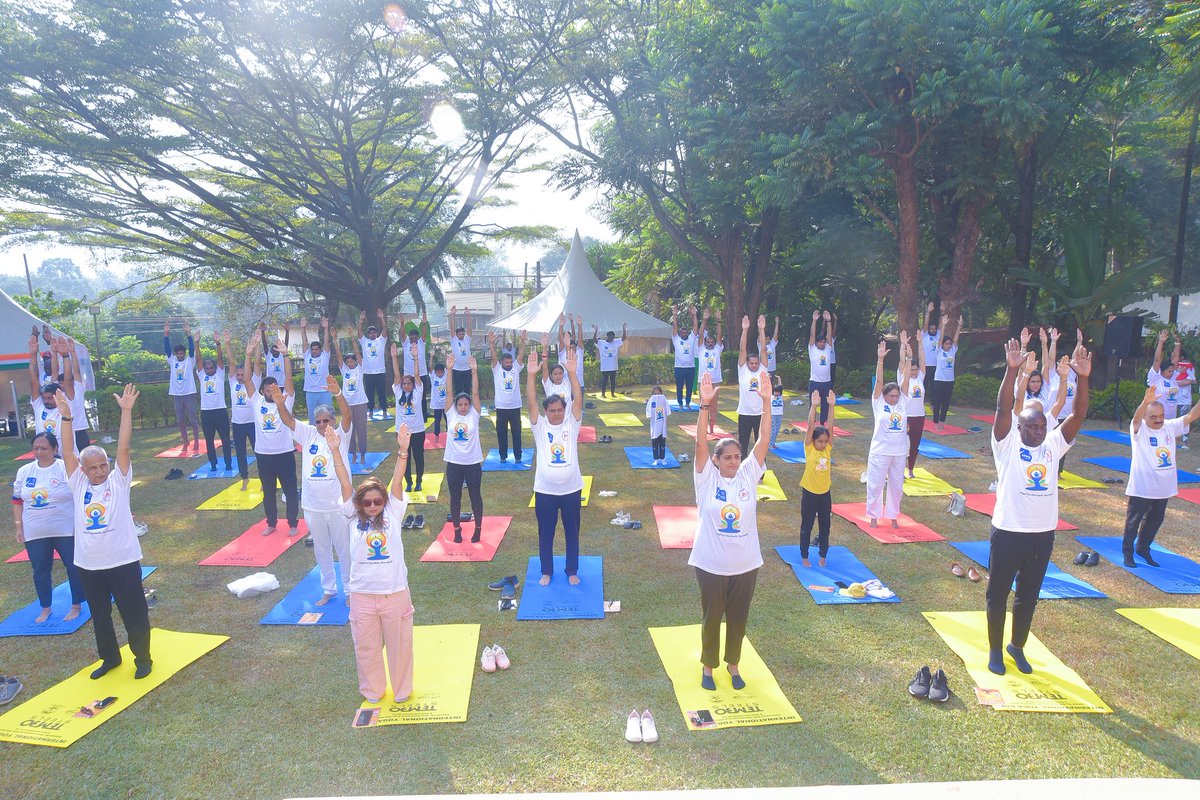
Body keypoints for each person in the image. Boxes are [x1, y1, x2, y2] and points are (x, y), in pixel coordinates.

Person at [986, 337, 1090, 676]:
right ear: (1019, 427)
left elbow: (1078, 414)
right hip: (1009, 531)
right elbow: (1003, 408)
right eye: (1031, 426)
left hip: (1042, 534)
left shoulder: (1053, 443)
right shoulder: (1007, 443)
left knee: (1028, 596)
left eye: (1042, 426)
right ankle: (995, 651)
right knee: (997, 594)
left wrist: (1082, 378)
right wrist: (1012, 369)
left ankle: (1017, 645)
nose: (1037, 431)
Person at [56, 384, 152, 679]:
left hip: (122, 561)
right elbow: (67, 450)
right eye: (93, 467)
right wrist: (67, 419)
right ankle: (110, 658)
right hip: (89, 564)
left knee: (133, 613)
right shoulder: (78, 484)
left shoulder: (117, 482)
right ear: (83, 471)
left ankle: (143, 658)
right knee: (100, 616)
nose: (98, 470)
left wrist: (126, 411)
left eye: (102, 465)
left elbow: (123, 447)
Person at [690, 369, 771, 692]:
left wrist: (766, 402)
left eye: (738, 457)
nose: (734, 462)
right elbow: (698, 442)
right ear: (716, 460)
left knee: (738, 619)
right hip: (711, 563)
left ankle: (733, 665)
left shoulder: (748, 475)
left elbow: (763, 440)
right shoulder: (706, 478)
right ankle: (708, 668)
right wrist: (704, 406)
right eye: (728, 457)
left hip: (746, 563)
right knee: (712, 617)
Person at [328, 422, 415, 704]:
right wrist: (335, 452)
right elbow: (344, 480)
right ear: (359, 505)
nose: (374, 506)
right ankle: (373, 691)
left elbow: (398, 480)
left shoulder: (393, 511)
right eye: (367, 503)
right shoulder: (352, 516)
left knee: (400, 648)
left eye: (378, 501)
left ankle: (402, 691)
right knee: (366, 649)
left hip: (394, 593)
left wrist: (403, 451)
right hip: (362, 595)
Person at [276, 374, 353, 605]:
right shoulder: (308, 434)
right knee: (322, 551)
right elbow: (289, 421)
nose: (322, 425)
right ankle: (329, 589)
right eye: (318, 421)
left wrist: (338, 393)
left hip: (339, 504)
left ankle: (350, 591)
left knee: (344, 549)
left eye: (326, 420)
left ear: (332, 420)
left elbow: (348, 415)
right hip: (313, 506)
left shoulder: (341, 435)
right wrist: (280, 403)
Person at [1123, 385, 1200, 567]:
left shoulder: (1169, 426)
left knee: (1155, 520)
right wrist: (1145, 402)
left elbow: (1192, 415)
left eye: (1161, 416)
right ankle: (1128, 553)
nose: (1158, 420)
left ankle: (1143, 548)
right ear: (1146, 417)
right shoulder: (1139, 429)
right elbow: (1136, 419)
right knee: (1133, 522)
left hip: (1163, 487)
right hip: (1142, 487)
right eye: (1153, 417)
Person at [526, 346, 585, 585]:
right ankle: (546, 571)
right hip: (545, 491)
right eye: (553, 410)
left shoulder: (572, 424)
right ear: (546, 412)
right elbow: (530, 403)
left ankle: (572, 570)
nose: (557, 414)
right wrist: (531, 376)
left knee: (572, 533)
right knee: (545, 534)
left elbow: (578, 399)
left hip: (571, 490)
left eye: (561, 410)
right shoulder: (539, 426)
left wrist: (572, 373)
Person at [12, 431, 82, 624]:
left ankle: (76, 604)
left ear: (55, 449)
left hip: (66, 529)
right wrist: (19, 526)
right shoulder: (25, 471)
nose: (40, 451)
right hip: (35, 531)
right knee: (40, 570)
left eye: (44, 448)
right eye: (36, 448)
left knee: (73, 566)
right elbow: (17, 500)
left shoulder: (64, 468)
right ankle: (45, 607)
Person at [243, 337, 300, 536]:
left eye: (274, 388)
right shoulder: (257, 401)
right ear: (262, 391)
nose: (271, 392)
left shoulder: (286, 400)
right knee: (268, 492)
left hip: (284, 453)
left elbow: (289, 379)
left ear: (278, 388)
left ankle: (293, 523)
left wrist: (285, 355)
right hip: (264, 455)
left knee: (290, 490)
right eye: (267, 390)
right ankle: (272, 523)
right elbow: (247, 379)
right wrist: (249, 354)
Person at [866, 338, 911, 528]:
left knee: (897, 487)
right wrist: (880, 360)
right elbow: (879, 381)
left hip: (899, 452)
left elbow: (906, 379)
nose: (894, 398)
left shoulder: (902, 402)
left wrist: (909, 358)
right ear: (884, 395)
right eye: (891, 395)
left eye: (896, 395)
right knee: (875, 484)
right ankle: (874, 516)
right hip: (880, 451)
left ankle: (893, 516)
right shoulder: (879, 403)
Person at [443, 349, 484, 543]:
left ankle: (477, 529)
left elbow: (475, 392)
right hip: (453, 462)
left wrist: (474, 371)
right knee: (455, 497)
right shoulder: (450, 414)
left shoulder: (474, 415)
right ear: (455, 405)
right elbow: (449, 392)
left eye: (465, 404)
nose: (463, 407)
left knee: (475, 495)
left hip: (473, 462)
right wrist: (449, 370)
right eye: (460, 404)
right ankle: (457, 530)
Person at [799, 390, 836, 567]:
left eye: (824, 441)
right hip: (810, 492)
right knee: (807, 524)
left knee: (825, 526)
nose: (822, 444)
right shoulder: (810, 448)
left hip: (824, 493)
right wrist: (814, 406)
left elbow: (831, 427)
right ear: (813, 441)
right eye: (819, 441)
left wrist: (831, 406)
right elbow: (810, 427)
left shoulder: (828, 449)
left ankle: (823, 555)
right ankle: (804, 555)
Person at [222, 333, 259, 491]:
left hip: (253, 423)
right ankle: (245, 478)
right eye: (238, 375)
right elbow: (231, 363)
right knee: (241, 453)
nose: (239, 377)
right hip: (237, 424)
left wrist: (257, 345)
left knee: (259, 452)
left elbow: (256, 363)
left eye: (243, 375)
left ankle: (264, 478)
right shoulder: (232, 382)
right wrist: (227, 344)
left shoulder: (253, 381)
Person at [390, 341, 427, 493]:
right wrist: (393, 357)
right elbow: (397, 375)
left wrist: (416, 357)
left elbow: (417, 375)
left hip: (418, 431)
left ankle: (418, 481)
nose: (406, 385)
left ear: (413, 384)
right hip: (403, 432)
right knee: (404, 457)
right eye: (404, 383)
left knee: (418, 457)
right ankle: (408, 482)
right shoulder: (398, 392)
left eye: (408, 383)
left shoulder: (418, 391)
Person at [196, 330, 234, 474]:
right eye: (207, 368)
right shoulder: (201, 375)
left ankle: (228, 463)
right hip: (206, 413)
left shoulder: (219, 374)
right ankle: (213, 464)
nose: (210, 370)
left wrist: (218, 343)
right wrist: (196, 343)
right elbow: (198, 359)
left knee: (225, 440)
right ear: (204, 369)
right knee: (209, 441)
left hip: (220, 411)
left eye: (212, 368)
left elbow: (220, 359)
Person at [331, 328, 370, 465]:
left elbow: (358, 353)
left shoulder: (360, 368)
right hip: (347, 404)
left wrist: (353, 337)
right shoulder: (344, 370)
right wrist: (335, 339)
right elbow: (338, 354)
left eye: (351, 361)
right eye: (348, 362)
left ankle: (363, 454)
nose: (349, 363)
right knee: (349, 429)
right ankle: (353, 454)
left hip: (360, 403)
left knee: (361, 429)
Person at [489, 330, 525, 464]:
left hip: (515, 407)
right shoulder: (497, 370)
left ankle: (518, 456)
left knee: (517, 433)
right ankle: (502, 456)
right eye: (507, 362)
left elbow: (521, 355)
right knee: (501, 433)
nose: (509, 364)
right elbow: (493, 356)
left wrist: (522, 341)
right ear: (502, 362)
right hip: (501, 407)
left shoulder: (516, 369)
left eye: (510, 362)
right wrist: (491, 344)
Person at [164, 320, 200, 453]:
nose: (179, 355)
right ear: (176, 354)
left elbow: (192, 349)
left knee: (193, 419)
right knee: (180, 420)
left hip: (189, 393)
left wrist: (189, 335)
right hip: (177, 395)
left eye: (181, 353)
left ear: (184, 353)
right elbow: (167, 350)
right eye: (178, 353)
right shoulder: (172, 360)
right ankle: (186, 440)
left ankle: (196, 440)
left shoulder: (190, 361)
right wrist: (166, 335)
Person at [736, 315, 768, 456]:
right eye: (751, 363)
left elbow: (763, 350)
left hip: (761, 414)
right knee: (742, 446)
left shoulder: (763, 369)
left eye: (756, 363)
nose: (754, 365)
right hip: (744, 413)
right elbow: (743, 349)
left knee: (760, 444)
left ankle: (760, 474)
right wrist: (745, 330)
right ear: (747, 363)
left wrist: (761, 329)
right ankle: (741, 472)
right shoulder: (742, 370)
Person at [899, 331, 927, 478]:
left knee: (915, 444)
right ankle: (900, 470)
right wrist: (903, 344)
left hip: (919, 416)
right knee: (903, 444)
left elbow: (923, 361)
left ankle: (910, 470)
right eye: (912, 370)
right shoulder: (902, 376)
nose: (914, 372)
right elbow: (902, 361)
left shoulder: (920, 378)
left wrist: (920, 343)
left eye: (916, 370)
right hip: (905, 416)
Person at [26, 334, 64, 446]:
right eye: (45, 398)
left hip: (64, 456)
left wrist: (55, 353)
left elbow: (56, 372)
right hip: (45, 455)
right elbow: (34, 381)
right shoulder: (39, 406)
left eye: (50, 398)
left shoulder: (64, 406)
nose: (46, 401)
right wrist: (33, 356)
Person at [929, 314, 963, 432]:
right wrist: (943, 325)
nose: (948, 345)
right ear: (942, 344)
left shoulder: (953, 350)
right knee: (937, 402)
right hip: (939, 380)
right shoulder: (939, 352)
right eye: (946, 344)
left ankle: (942, 421)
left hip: (950, 380)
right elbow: (940, 338)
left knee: (946, 402)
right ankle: (935, 421)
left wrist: (959, 326)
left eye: (949, 343)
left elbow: (956, 338)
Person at [356, 310, 390, 419]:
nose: (372, 334)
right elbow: (359, 331)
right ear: (368, 334)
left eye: (374, 332)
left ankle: (384, 410)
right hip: (368, 372)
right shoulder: (364, 342)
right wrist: (361, 320)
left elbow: (385, 330)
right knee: (369, 393)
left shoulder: (381, 341)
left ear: (376, 333)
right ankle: (370, 411)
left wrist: (381, 318)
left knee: (381, 393)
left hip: (380, 372)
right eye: (370, 333)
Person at [398, 310, 431, 418]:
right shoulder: (406, 343)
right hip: (409, 375)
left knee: (422, 396)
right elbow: (402, 333)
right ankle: (410, 413)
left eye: (414, 337)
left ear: (417, 337)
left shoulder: (421, 343)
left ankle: (423, 415)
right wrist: (402, 323)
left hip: (421, 374)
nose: (413, 339)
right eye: (411, 337)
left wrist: (424, 323)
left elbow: (425, 333)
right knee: (409, 395)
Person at [300, 317, 332, 424]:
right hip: (310, 392)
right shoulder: (307, 356)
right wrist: (302, 328)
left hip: (324, 391)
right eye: (312, 349)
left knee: (328, 416)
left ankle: (330, 437)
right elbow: (304, 342)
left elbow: (326, 342)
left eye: (316, 349)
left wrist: (326, 328)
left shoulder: (325, 356)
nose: (314, 351)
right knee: (313, 419)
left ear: (320, 349)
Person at [698, 313, 725, 436]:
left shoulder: (717, 349)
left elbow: (719, 335)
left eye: (711, 341)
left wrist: (718, 321)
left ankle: (712, 428)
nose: (710, 343)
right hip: (703, 382)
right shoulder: (701, 349)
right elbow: (700, 334)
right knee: (703, 406)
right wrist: (704, 320)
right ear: (705, 343)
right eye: (708, 341)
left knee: (713, 407)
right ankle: (702, 427)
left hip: (715, 382)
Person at [1148, 329, 1182, 420]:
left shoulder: (1173, 377)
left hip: (1171, 417)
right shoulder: (1155, 377)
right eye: (1169, 371)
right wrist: (1161, 342)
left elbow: (1175, 359)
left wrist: (1177, 343)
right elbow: (1157, 360)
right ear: (1162, 371)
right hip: (1157, 416)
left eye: (1172, 371)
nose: (1172, 373)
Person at [807, 311, 834, 424]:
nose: (823, 344)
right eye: (820, 342)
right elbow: (812, 335)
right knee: (813, 402)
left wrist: (828, 321)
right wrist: (814, 320)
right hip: (815, 381)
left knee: (825, 404)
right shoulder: (812, 349)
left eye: (824, 342)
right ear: (817, 343)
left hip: (826, 382)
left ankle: (823, 422)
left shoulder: (828, 349)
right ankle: (811, 420)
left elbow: (830, 335)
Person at [671, 305, 699, 409]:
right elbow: (674, 327)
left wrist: (694, 314)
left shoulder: (691, 338)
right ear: (679, 334)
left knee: (689, 387)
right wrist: (674, 315)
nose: (684, 334)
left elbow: (695, 327)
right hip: (679, 368)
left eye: (686, 332)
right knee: (679, 387)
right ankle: (680, 404)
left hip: (690, 368)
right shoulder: (676, 340)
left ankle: (687, 403)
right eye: (682, 332)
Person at [594, 322, 627, 398]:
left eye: (613, 337)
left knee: (613, 381)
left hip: (613, 366)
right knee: (604, 381)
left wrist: (624, 329)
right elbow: (595, 340)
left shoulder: (615, 342)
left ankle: (612, 394)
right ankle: (603, 394)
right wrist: (596, 330)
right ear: (607, 336)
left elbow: (623, 338)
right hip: (605, 367)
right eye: (610, 337)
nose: (612, 339)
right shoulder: (601, 343)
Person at [540, 333, 573, 407]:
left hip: (567, 418)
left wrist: (567, 346)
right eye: (555, 374)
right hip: (552, 418)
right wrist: (544, 347)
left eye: (560, 373)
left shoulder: (567, 383)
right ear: (550, 376)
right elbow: (545, 367)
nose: (558, 376)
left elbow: (570, 364)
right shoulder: (548, 386)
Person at [447, 305, 473, 397]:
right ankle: (458, 407)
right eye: (459, 334)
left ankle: (467, 406)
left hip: (467, 368)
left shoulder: (467, 339)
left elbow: (470, 328)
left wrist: (469, 315)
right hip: (456, 369)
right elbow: (452, 328)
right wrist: (452, 315)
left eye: (462, 334)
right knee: (458, 390)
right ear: (457, 335)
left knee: (467, 389)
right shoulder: (454, 340)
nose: (461, 335)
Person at [558, 313, 587, 392]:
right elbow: (561, 340)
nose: (571, 349)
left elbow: (580, 338)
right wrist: (561, 326)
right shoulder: (562, 352)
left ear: (576, 346)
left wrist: (579, 325)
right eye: (569, 347)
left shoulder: (579, 352)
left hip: (579, 385)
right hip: (565, 386)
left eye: (573, 347)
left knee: (578, 404)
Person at [646, 386, 671, 465]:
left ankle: (663, 458)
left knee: (662, 443)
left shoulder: (663, 400)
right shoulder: (651, 401)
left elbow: (668, 409)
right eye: (655, 394)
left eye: (659, 393)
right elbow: (648, 410)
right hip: (654, 426)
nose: (657, 395)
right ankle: (656, 458)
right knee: (655, 443)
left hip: (662, 426)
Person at [920, 302, 940, 388]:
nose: (933, 330)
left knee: (934, 386)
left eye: (935, 329)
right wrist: (928, 312)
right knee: (923, 385)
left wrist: (943, 312)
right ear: (928, 329)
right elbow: (925, 325)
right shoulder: (924, 336)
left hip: (936, 365)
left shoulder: (938, 336)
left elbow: (942, 324)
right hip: (925, 365)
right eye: (931, 329)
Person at [430, 361, 448, 438]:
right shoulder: (433, 377)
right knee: (437, 420)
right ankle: (436, 435)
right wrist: (431, 356)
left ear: (444, 372)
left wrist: (445, 354)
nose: (440, 374)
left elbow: (448, 366)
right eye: (438, 372)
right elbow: (430, 367)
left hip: (446, 404)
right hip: (436, 405)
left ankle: (449, 433)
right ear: (435, 372)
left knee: (448, 419)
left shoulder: (445, 376)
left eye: (441, 372)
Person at [825, 311, 839, 386]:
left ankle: (831, 390)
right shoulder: (823, 342)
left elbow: (833, 331)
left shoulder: (832, 340)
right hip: (826, 362)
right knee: (826, 378)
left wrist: (836, 321)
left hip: (832, 362)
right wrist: (825, 320)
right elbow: (824, 330)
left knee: (832, 378)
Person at [768, 382, 785, 447]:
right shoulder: (771, 396)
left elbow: (781, 386)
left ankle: (773, 443)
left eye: (778, 392)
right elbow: (769, 387)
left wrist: (779, 378)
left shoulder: (780, 397)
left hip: (779, 415)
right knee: (773, 429)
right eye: (775, 392)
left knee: (777, 429)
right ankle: (770, 444)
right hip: (773, 415)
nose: (776, 393)